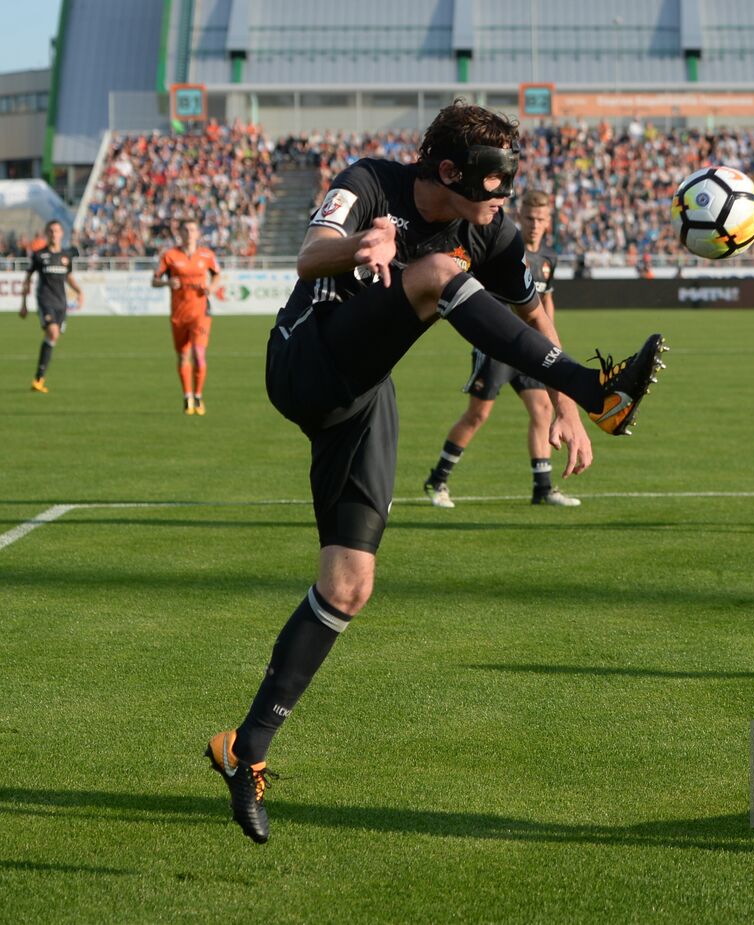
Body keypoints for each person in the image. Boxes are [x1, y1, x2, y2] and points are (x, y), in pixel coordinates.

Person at [205, 103, 668, 844]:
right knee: (436, 273)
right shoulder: (370, 183)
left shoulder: (493, 229)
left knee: (349, 584)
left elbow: (530, 305)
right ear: (449, 171)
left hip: (361, 397)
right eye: (495, 183)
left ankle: (245, 750)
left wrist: (570, 411)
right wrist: (363, 244)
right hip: (304, 360)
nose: (504, 198)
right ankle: (595, 385)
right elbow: (308, 255)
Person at [423, 189, 580, 508]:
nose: (534, 225)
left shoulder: (549, 258)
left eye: (540, 219)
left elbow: (545, 300)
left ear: (548, 221)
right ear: (519, 217)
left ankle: (543, 488)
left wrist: (551, 343)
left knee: (543, 410)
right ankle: (437, 480)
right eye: (529, 218)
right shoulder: (506, 248)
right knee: (478, 414)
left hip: (531, 350)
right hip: (499, 348)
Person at [152, 219, 222, 414]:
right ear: (180, 233)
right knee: (183, 355)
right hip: (179, 314)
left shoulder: (206, 255)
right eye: (186, 229)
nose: (189, 233)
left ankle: (198, 396)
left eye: (192, 229)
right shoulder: (169, 255)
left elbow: (217, 275)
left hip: (201, 313)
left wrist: (212, 288)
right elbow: (154, 280)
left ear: (198, 233)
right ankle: (187, 397)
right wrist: (167, 284)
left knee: (199, 355)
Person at [19, 221, 83, 393]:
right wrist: (23, 304)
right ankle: (38, 380)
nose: (54, 234)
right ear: (47, 234)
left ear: (62, 234)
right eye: (51, 231)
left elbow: (68, 276)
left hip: (61, 303)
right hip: (45, 300)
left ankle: (39, 378)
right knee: (52, 332)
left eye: (57, 231)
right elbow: (27, 280)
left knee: (53, 338)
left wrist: (79, 291)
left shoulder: (66, 256)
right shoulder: (39, 255)